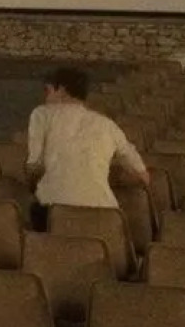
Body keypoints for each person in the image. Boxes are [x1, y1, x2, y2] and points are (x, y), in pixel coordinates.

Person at [26, 66, 149, 230]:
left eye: (48, 91)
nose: (45, 97)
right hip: (102, 215)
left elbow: (33, 167)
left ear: (61, 90)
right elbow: (143, 178)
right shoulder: (107, 125)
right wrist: (105, 178)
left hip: (53, 212)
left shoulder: (41, 114)